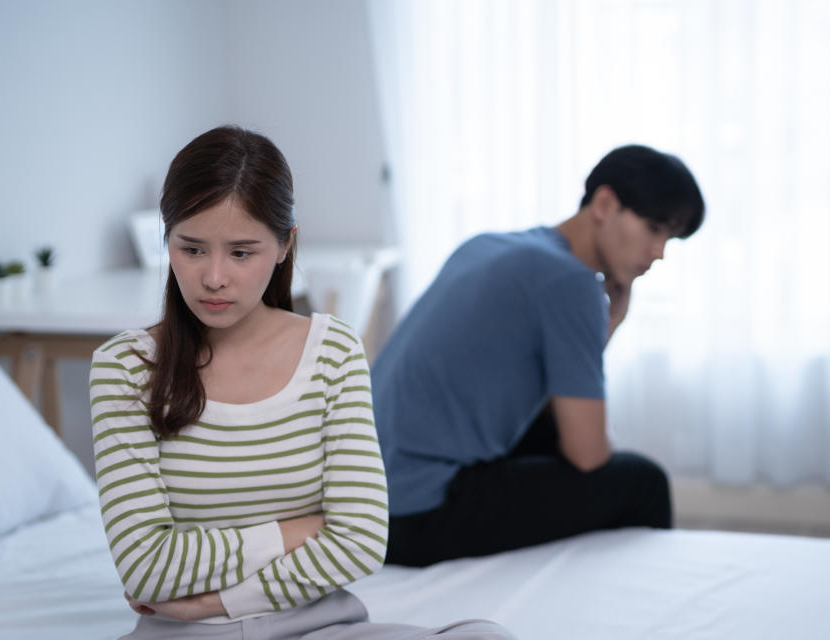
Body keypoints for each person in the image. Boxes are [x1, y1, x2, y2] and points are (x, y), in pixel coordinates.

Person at [90, 126, 514, 639]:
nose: (214, 277)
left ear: (285, 245)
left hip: (318, 626)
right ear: (168, 240)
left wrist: (221, 601)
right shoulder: (125, 367)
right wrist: (299, 530)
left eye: (242, 252)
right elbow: (146, 567)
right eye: (192, 249)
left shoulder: (332, 352)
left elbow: (361, 541)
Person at [373, 144, 705, 567]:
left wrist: (609, 324)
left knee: (549, 431)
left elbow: (544, 397)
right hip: (415, 512)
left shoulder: (492, 245)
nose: (659, 252)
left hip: (368, 498)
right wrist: (604, 319)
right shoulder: (571, 283)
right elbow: (588, 454)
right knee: (643, 482)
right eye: (654, 229)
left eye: (669, 238)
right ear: (605, 203)